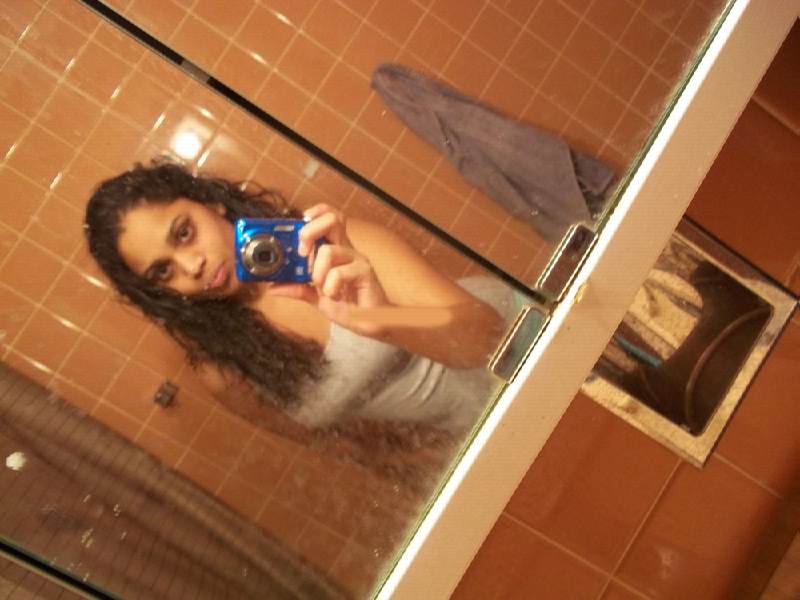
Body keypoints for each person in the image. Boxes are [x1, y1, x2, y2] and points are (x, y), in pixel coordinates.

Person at [84, 161, 517, 475]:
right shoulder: (225, 370)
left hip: (521, 351)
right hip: (479, 435)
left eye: (184, 232)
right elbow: (351, 448)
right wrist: (455, 466)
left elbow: (487, 339)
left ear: (212, 204)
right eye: (163, 271)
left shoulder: (329, 249)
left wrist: (383, 319)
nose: (192, 265)